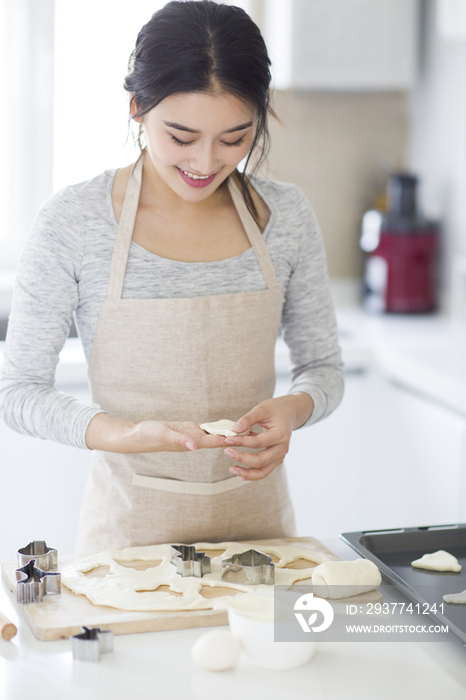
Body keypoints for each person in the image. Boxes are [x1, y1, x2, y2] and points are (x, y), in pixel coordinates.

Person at [0, 1, 344, 554]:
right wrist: (122, 435)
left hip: (260, 541)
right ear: (137, 107)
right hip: (129, 543)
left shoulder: (286, 217)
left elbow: (323, 369)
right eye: (180, 137)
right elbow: (16, 393)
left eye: (235, 138)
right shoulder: (75, 222)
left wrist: (292, 410)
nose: (205, 162)